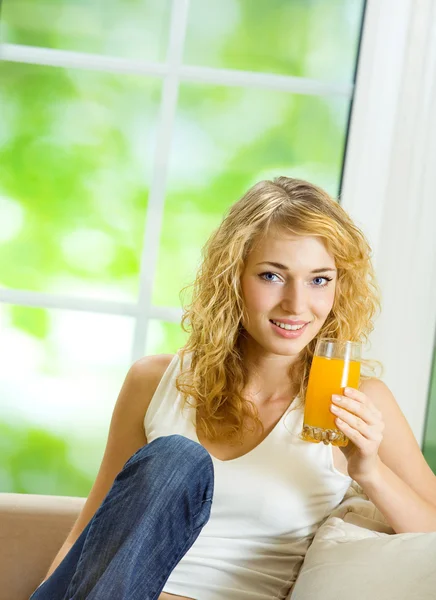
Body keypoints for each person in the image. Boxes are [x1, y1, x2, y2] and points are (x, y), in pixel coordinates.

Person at [30, 177, 436, 600]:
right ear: (233, 278)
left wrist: (369, 470)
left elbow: (433, 532)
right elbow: (93, 529)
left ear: (340, 286)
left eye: (319, 280)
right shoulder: (152, 382)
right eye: (272, 276)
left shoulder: (358, 402)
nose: (296, 305)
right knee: (177, 458)